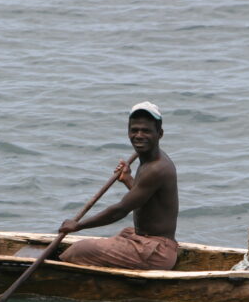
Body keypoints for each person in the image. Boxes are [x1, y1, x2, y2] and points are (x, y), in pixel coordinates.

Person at [58, 101, 179, 270]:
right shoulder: (148, 158)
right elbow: (145, 198)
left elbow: (120, 211)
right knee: (110, 239)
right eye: (134, 130)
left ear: (159, 134)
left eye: (146, 131)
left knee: (80, 249)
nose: (138, 135)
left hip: (156, 253)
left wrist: (78, 226)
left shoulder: (157, 168)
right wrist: (128, 179)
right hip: (146, 242)